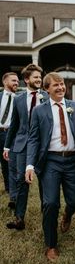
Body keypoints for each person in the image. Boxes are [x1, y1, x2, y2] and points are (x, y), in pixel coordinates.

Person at [25, 72, 75, 262]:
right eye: (56, 85)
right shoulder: (39, 111)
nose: (61, 88)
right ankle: (51, 244)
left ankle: (68, 214)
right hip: (50, 161)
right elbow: (33, 139)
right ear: (47, 89)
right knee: (50, 203)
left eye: (62, 84)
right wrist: (29, 165)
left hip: (72, 161)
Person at [3, 63, 48, 230]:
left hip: (44, 145)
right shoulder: (19, 99)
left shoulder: (47, 96)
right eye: (36, 77)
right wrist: (7, 147)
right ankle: (19, 218)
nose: (39, 80)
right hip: (22, 144)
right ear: (27, 79)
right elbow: (14, 124)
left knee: (44, 180)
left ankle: (47, 211)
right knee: (21, 180)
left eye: (40, 77)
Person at [0, 72, 19, 208]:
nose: (16, 83)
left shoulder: (19, 99)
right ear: (5, 82)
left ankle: (10, 190)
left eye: (17, 81)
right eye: (13, 80)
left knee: (9, 162)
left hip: (10, 135)